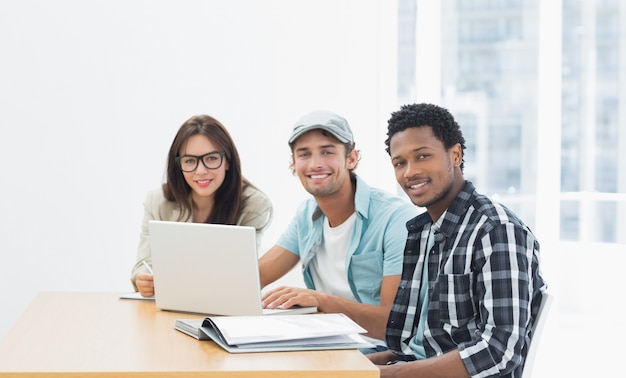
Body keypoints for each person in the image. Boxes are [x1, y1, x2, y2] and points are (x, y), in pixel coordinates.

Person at [367, 103, 547, 377]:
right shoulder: (425, 231)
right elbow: (420, 347)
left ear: (455, 154)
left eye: (423, 156)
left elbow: (498, 351)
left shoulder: (495, 230)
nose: (409, 172)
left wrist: (384, 375)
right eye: (399, 162)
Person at [258, 110, 419, 351]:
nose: (315, 164)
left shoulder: (396, 219)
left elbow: (393, 324)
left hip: (381, 352)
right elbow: (254, 277)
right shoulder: (306, 216)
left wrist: (321, 301)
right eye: (304, 154)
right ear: (294, 163)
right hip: (326, 346)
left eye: (327, 151)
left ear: (351, 158)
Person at [131, 114, 273, 297]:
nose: (201, 171)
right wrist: (142, 280)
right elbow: (142, 265)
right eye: (189, 161)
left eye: (212, 158)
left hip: (223, 305)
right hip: (171, 303)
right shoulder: (157, 200)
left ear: (228, 161)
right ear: (179, 165)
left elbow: (240, 276)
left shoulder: (254, 204)